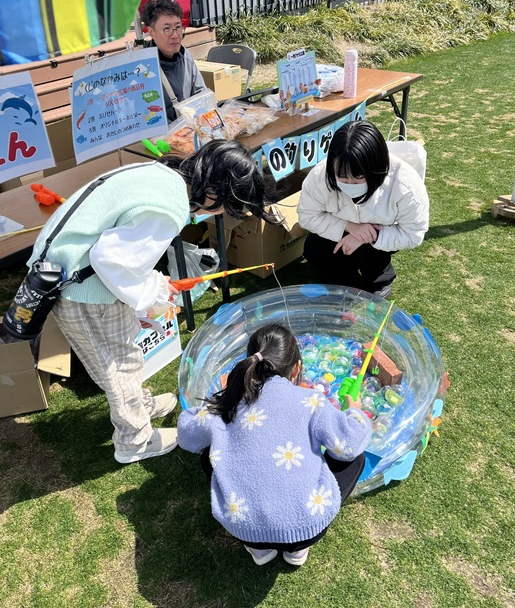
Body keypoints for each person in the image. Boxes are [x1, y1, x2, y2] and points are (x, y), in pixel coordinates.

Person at [25, 140, 275, 464]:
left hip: (74, 266)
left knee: (125, 352)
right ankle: (135, 440)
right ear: (214, 191)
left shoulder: (165, 174)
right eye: (226, 206)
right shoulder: (169, 208)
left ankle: (138, 404)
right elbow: (110, 260)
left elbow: (120, 248)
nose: (220, 213)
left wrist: (149, 283)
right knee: (117, 366)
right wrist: (150, 293)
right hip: (82, 287)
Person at [177, 323, 371, 567]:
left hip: (244, 527)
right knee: (355, 458)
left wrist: (223, 396)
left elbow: (186, 436)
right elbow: (351, 442)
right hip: (307, 525)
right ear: (297, 368)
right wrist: (355, 412)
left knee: (208, 453)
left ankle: (260, 550)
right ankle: (297, 551)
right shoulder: (311, 401)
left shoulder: (231, 403)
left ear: (250, 364)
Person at [297, 120, 429, 299]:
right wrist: (350, 227)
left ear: (376, 167)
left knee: (371, 254)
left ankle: (379, 279)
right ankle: (340, 275)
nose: (350, 183)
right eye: (342, 176)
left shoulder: (406, 185)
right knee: (315, 249)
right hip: (341, 224)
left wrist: (368, 236)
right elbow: (307, 216)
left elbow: (413, 234)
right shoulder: (320, 176)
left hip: (381, 231)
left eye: (358, 176)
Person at [140, 0, 207, 122]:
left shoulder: (185, 55)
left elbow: (201, 94)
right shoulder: (143, 68)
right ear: (151, 32)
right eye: (167, 29)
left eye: (178, 27)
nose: (175, 35)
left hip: (191, 127)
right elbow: (147, 116)